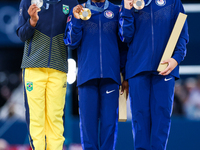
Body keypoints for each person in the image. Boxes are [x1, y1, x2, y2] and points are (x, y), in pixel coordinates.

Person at [119, 0, 189, 149]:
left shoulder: (173, 2)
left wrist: (176, 59)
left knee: (162, 117)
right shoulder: (130, 1)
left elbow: (182, 33)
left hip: (165, 68)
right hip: (138, 68)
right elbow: (126, 36)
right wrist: (126, 10)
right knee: (139, 117)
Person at [64, 0, 128, 149]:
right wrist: (76, 20)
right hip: (87, 77)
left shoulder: (116, 11)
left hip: (111, 76)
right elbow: (71, 42)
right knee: (88, 125)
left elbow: (124, 45)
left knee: (109, 124)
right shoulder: (78, 11)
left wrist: (125, 74)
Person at [16, 0, 78, 149]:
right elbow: (21, 34)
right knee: (36, 119)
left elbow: (74, 40)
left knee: (55, 119)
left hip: (58, 69)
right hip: (33, 69)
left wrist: (77, 22)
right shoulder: (28, 1)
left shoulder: (70, 3)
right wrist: (32, 21)